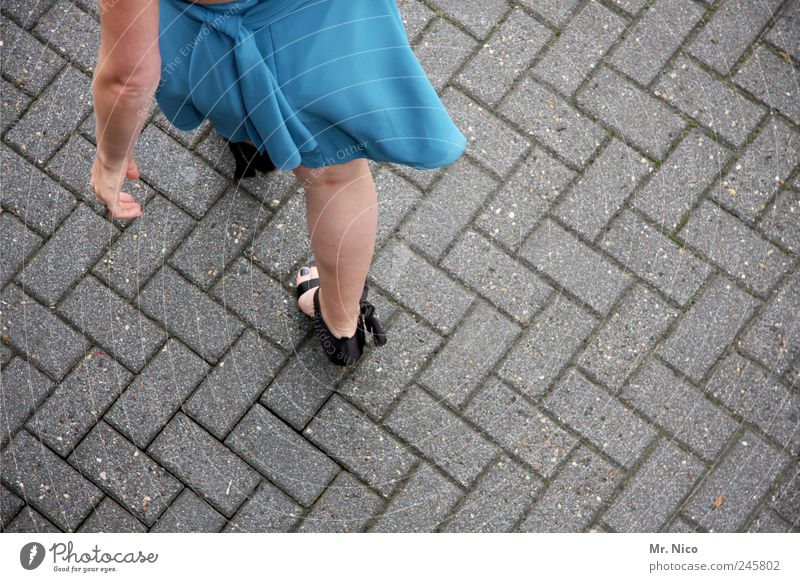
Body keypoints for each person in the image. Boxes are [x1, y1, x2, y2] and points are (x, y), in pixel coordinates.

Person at [91, 0, 467, 366]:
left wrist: (111, 157)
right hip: (326, 24)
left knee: (231, 84)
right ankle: (341, 326)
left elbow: (129, 78)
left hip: (224, 45)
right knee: (336, 177)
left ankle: (254, 136)